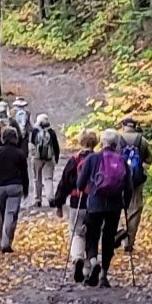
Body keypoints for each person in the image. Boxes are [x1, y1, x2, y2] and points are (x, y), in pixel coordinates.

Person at [76, 128, 133, 288]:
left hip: (95, 203)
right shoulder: (122, 160)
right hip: (114, 206)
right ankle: (104, 274)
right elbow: (128, 187)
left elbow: (80, 184)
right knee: (108, 239)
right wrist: (125, 204)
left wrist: (85, 187)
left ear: (102, 143)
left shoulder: (93, 159)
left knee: (91, 236)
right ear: (116, 144)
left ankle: (93, 260)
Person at [51, 129, 98, 283]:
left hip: (77, 202)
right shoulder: (99, 160)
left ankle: (78, 258)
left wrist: (59, 203)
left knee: (77, 233)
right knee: (93, 235)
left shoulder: (75, 160)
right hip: (96, 203)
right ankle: (91, 263)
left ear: (80, 142)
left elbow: (64, 183)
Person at [0, 126, 29, 253]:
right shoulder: (20, 153)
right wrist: (26, 188)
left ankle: (2, 240)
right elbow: (24, 173)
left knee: (0, 215)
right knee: (11, 214)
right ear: (15, 138)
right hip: (15, 186)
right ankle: (6, 242)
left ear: (3, 138)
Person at [115, 116, 152, 253]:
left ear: (123, 126)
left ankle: (119, 230)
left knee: (114, 206)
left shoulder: (117, 139)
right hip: (136, 180)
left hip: (117, 179)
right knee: (134, 210)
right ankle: (129, 242)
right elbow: (149, 160)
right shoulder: (142, 141)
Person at [31, 113, 60, 207]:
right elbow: (56, 146)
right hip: (49, 158)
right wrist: (56, 157)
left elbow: (31, 144)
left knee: (37, 179)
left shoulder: (34, 131)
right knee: (48, 178)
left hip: (37, 157)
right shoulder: (51, 132)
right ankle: (50, 198)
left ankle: (38, 199)